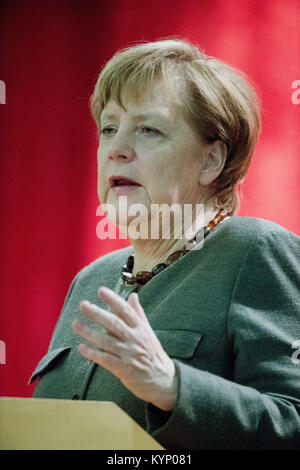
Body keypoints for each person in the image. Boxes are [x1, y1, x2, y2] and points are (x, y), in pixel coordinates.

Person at [29, 38, 300, 449]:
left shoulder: (257, 251)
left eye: (149, 130)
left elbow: (292, 422)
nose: (116, 150)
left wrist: (171, 385)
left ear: (211, 161)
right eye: (108, 128)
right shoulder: (92, 279)